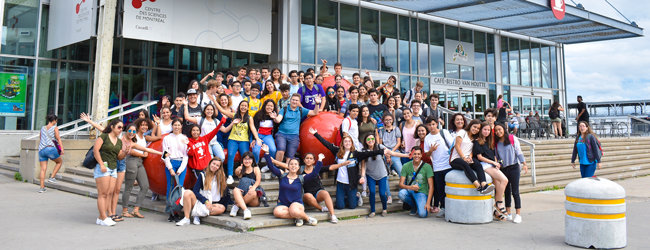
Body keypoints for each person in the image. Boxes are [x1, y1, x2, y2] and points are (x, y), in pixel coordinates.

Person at [310, 127, 388, 209]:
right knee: (340, 206)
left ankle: (357, 196)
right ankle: (347, 197)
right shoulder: (337, 151)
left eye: (349, 141)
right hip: (340, 183)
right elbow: (326, 143)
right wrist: (316, 134)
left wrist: (381, 151)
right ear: (342, 143)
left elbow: (368, 154)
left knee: (352, 206)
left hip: (351, 183)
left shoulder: (356, 154)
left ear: (352, 143)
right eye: (345, 141)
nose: (347, 143)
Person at [262, 145, 320, 226]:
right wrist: (267, 153)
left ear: (298, 167)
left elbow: (314, 173)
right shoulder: (282, 175)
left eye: (296, 164)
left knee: (294, 210)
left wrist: (320, 161)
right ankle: (298, 217)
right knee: (276, 212)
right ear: (288, 166)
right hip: (283, 204)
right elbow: (271, 167)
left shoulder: (301, 178)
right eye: (291, 164)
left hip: (296, 204)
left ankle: (307, 218)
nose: (293, 166)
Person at [93, 120, 129, 226]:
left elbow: (119, 157)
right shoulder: (103, 136)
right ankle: (103, 217)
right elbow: (96, 150)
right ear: (112, 127)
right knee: (102, 193)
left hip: (113, 168)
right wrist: (101, 164)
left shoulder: (119, 141)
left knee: (109, 193)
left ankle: (102, 217)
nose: (120, 130)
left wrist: (125, 152)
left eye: (122, 128)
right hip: (103, 167)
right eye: (119, 127)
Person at [177, 157, 232, 226]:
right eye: (213, 163)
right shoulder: (203, 175)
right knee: (187, 192)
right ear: (210, 164)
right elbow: (195, 191)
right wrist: (206, 201)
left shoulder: (220, 178)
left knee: (222, 208)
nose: (214, 166)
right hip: (200, 201)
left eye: (217, 165)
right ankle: (186, 218)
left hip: (212, 203)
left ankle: (197, 215)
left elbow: (226, 194)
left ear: (219, 168)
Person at [473, 122, 509, 221]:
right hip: (484, 165)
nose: (486, 132)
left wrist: (496, 163)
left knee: (498, 184)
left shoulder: (489, 142)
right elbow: (479, 157)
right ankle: (499, 203)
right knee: (504, 180)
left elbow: (493, 155)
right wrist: (493, 162)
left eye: (488, 130)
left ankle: (496, 212)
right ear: (481, 130)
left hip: (492, 165)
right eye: (484, 129)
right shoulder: (477, 141)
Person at [494, 123, 528, 224]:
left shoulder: (512, 138)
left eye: (500, 129)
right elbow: (497, 156)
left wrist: (524, 163)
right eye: (496, 131)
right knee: (507, 192)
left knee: (515, 191)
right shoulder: (496, 143)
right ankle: (508, 213)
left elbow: (519, 151)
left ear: (504, 129)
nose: (498, 132)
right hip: (504, 169)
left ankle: (518, 214)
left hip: (514, 167)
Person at [449, 119, 495, 194]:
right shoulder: (462, 132)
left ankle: (484, 185)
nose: (476, 129)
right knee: (465, 164)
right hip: (456, 159)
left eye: (478, 128)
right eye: (474, 127)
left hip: (467, 159)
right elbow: (457, 146)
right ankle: (478, 186)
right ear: (470, 125)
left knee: (477, 164)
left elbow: (471, 151)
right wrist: (464, 158)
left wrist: (469, 157)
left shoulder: (475, 138)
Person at [273, 93, 320, 163]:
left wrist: (317, 103)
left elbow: (315, 112)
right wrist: (275, 118)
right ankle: (277, 168)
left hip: (294, 135)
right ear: (290, 100)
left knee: (290, 155)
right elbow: (278, 119)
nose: (294, 102)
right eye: (293, 100)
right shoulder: (284, 109)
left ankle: (287, 170)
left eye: (296, 100)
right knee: (281, 150)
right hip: (282, 134)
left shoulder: (301, 110)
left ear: (299, 102)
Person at [223, 100, 261, 184]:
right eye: (242, 105)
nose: (243, 107)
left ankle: (243, 175)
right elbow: (222, 111)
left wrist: (257, 138)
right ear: (239, 107)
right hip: (233, 139)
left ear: (247, 108)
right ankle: (230, 175)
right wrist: (214, 100)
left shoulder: (249, 118)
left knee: (245, 157)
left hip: (244, 140)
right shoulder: (234, 116)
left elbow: (253, 128)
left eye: (245, 106)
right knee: (230, 154)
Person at [423, 117, 453, 217]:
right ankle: (443, 208)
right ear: (427, 126)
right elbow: (427, 154)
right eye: (429, 125)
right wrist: (431, 150)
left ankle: (451, 207)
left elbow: (452, 145)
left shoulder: (444, 132)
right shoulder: (427, 137)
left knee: (449, 187)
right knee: (440, 189)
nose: (432, 126)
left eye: (433, 124)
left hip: (448, 165)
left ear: (437, 124)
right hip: (437, 167)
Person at [162, 118, 189, 222]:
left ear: (181, 126)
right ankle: (170, 212)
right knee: (169, 187)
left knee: (179, 188)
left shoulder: (184, 138)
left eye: (179, 125)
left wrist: (181, 169)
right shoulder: (167, 138)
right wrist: (170, 168)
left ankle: (177, 212)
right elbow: (164, 154)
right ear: (172, 126)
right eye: (175, 125)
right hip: (171, 163)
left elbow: (186, 156)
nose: (177, 127)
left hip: (181, 164)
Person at [186, 115, 227, 182]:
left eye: (197, 130)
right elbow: (190, 153)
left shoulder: (205, 139)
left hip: (207, 167)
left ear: (200, 132)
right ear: (190, 132)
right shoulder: (188, 141)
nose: (195, 132)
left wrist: (221, 122)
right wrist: (189, 144)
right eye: (193, 130)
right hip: (198, 168)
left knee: (211, 182)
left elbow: (214, 131)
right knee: (203, 183)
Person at [360, 133, 392, 217]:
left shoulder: (379, 147)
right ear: (365, 141)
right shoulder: (363, 151)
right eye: (368, 139)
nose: (370, 141)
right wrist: (362, 176)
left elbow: (389, 151)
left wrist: (388, 155)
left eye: (372, 139)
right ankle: (373, 211)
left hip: (382, 174)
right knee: (372, 192)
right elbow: (363, 166)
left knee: (382, 193)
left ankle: (384, 209)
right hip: (370, 174)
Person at [397, 146, 434, 218]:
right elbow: (401, 184)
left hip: (422, 192)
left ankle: (419, 205)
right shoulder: (406, 166)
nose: (416, 156)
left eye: (418, 154)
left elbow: (431, 187)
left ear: (421, 155)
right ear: (411, 154)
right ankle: (413, 206)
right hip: (410, 191)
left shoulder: (427, 167)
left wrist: (428, 203)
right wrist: (410, 187)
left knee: (422, 214)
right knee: (401, 193)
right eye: (414, 154)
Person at [229, 152, 262, 220]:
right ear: (242, 160)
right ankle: (246, 210)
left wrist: (253, 188)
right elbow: (237, 173)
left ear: (252, 160)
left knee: (252, 193)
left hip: (253, 197)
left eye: (249, 159)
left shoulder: (256, 168)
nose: (247, 161)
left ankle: (236, 206)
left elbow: (258, 181)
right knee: (235, 190)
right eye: (245, 159)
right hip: (244, 193)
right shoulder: (241, 169)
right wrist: (238, 170)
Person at [37, 114, 64, 193]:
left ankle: (42, 188)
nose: (56, 122)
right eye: (56, 120)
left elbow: (40, 138)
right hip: (50, 148)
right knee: (59, 162)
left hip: (41, 150)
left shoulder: (42, 128)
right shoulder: (55, 128)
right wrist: (61, 148)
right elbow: (58, 138)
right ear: (54, 120)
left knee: (42, 169)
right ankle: (52, 177)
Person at [253, 99, 278, 166]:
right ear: (264, 106)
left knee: (273, 150)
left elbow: (276, 128)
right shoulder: (258, 114)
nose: (269, 107)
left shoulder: (275, 115)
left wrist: (275, 118)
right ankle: (256, 165)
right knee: (255, 151)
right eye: (268, 105)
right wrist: (254, 138)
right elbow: (254, 127)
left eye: (271, 106)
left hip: (268, 136)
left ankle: (269, 165)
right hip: (258, 135)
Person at [378, 113, 402, 178]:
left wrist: (391, 153)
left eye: (390, 120)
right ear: (383, 121)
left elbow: (398, 142)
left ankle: (403, 187)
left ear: (392, 120)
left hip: (394, 151)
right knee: (385, 173)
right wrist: (387, 153)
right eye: (386, 120)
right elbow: (380, 144)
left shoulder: (396, 129)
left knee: (401, 171)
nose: (388, 121)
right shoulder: (382, 130)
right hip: (385, 151)